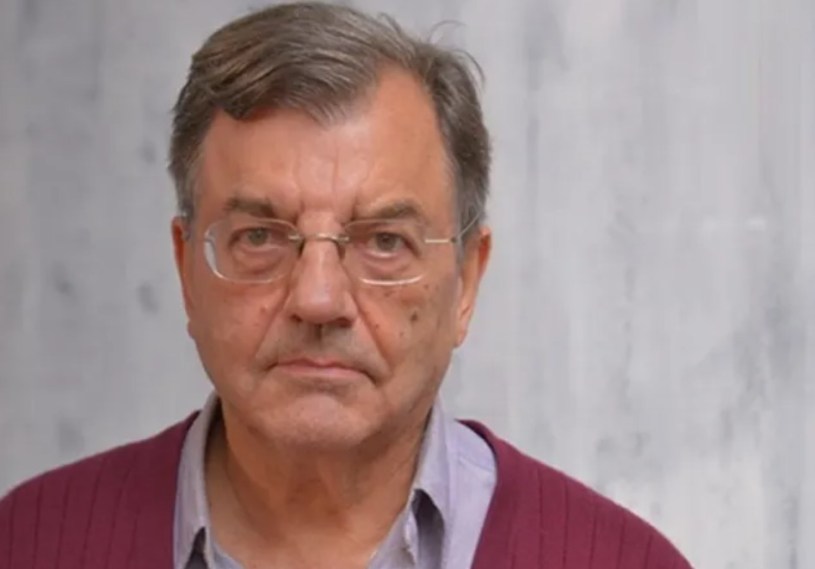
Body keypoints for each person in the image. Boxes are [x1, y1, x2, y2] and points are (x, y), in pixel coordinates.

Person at [0, 3, 693, 568]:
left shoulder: (624, 563)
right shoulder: (27, 545)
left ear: (466, 282)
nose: (318, 299)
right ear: (186, 270)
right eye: (260, 237)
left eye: (384, 242)